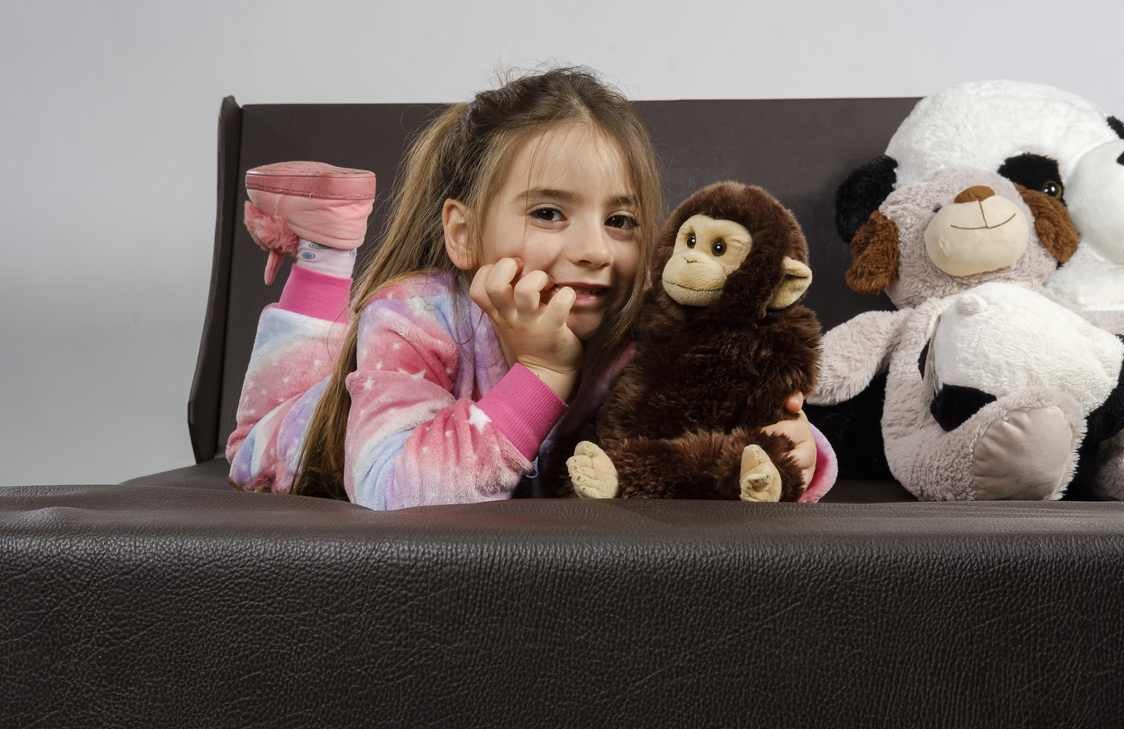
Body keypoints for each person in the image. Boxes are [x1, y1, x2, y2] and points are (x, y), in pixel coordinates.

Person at [227, 66, 835, 509]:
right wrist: (544, 373)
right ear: (464, 235)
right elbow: (391, 488)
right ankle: (325, 251)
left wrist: (796, 452)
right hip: (305, 433)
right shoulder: (413, 314)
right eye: (548, 213)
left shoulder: (644, 321)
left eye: (621, 220)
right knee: (254, 441)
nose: (596, 250)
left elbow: (709, 418)